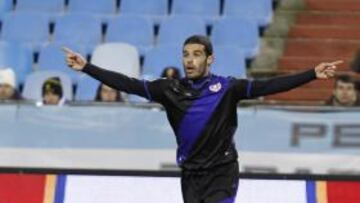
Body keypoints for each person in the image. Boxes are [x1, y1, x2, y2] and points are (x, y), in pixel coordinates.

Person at [63, 35, 341, 203]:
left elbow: (268, 87)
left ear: (210, 59)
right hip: (191, 175)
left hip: (222, 170)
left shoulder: (227, 88)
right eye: (185, 55)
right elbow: (127, 84)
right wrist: (87, 67)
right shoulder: (167, 89)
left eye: (197, 55)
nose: (189, 60)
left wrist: (311, 74)